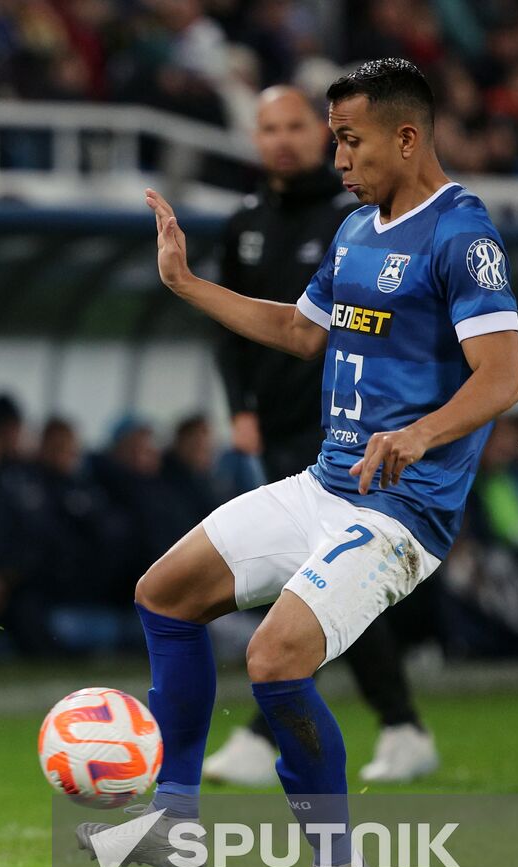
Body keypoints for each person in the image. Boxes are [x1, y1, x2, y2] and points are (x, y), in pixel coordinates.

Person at [77, 58, 518, 867]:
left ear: (407, 135)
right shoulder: (358, 230)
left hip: (403, 508)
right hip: (326, 482)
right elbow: (297, 330)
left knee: (275, 658)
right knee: (163, 593)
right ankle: (174, 817)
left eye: (352, 140)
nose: (340, 157)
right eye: (335, 140)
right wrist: (185, 285)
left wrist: (421, 432)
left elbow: (500, 377)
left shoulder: (462, 234)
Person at [204, 85, 438, 787]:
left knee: (324, 582)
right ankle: (395, 726)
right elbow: (233, 329)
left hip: (348, 429)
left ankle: (373, 727)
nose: (281, 139)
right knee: (320, 585)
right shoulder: (243, 221)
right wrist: (239, 405)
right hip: (277, 427)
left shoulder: (361, 216)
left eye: (296, 126)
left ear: (328, 134)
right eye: (268, 127)